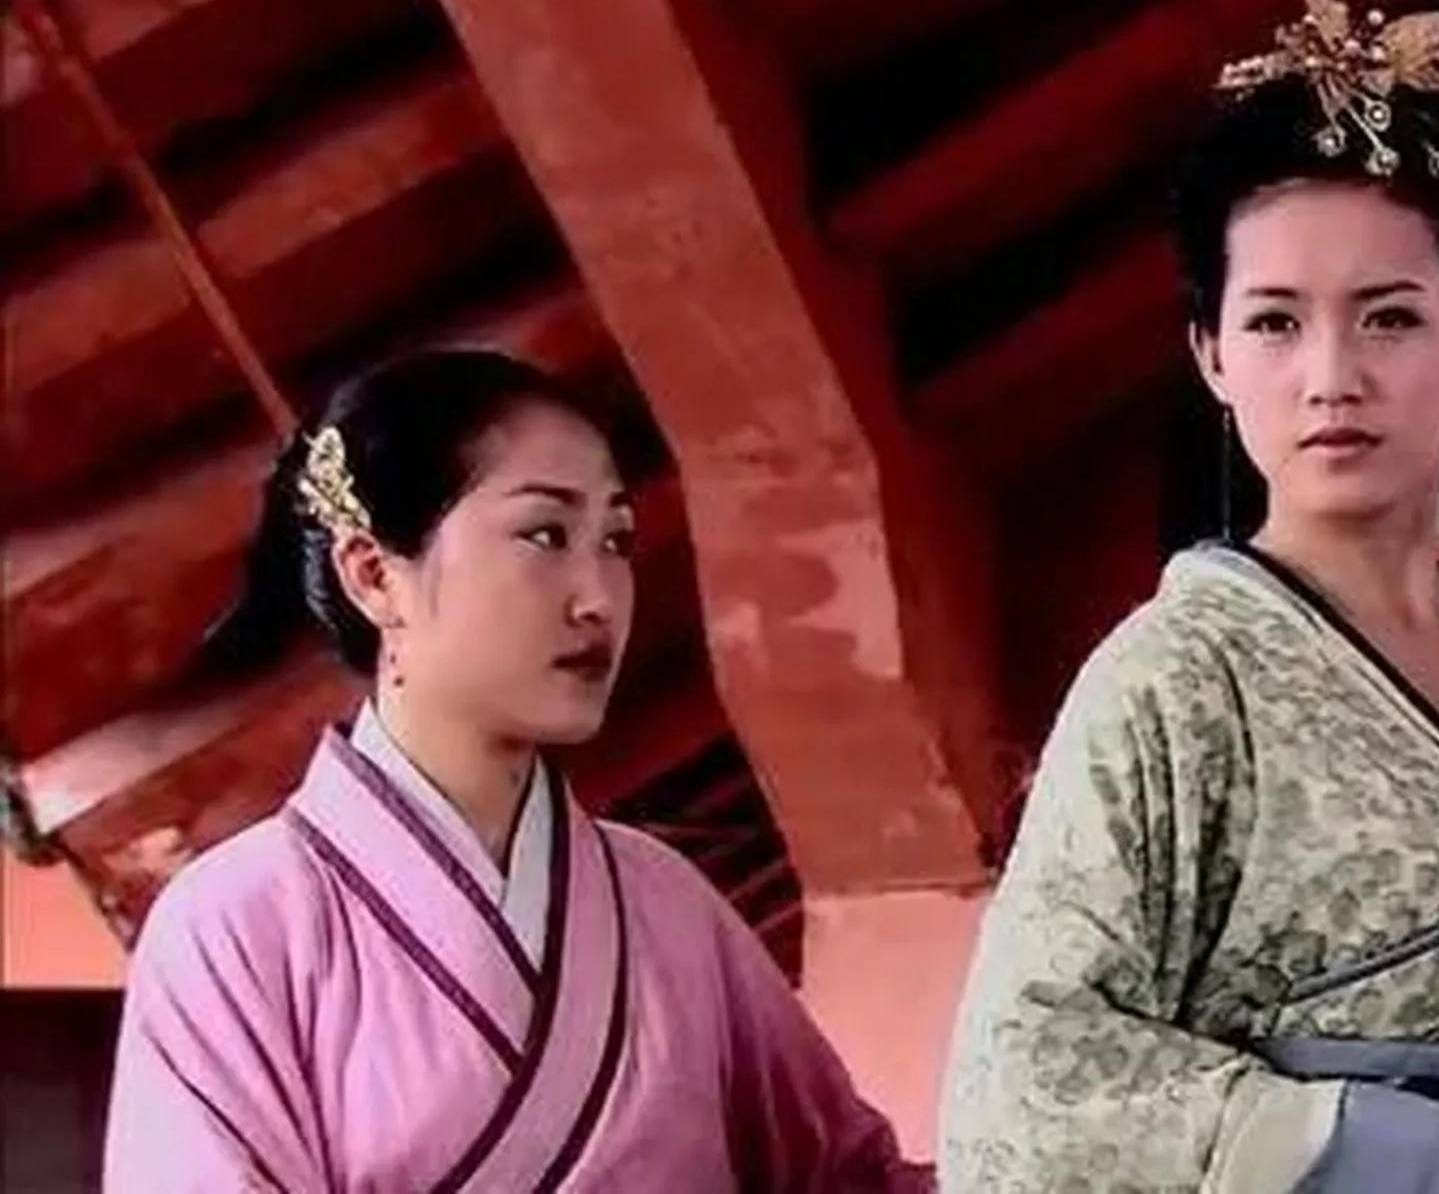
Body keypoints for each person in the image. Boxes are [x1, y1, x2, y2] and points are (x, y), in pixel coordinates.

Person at [938, 0, 1439, 1193]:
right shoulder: (1171, 681)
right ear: (1211, 356)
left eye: (1389, 317)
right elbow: (1031, 1075)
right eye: (1272, 322)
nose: (1329, 376)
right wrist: (1433, 1164)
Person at [102, 350, 926, 1191]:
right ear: (375, 576)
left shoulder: (663, 901)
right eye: (544, 535)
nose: (599, 597)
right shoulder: (236, 930)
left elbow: (853, 1181)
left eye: (615, 541)